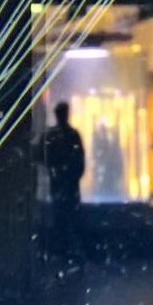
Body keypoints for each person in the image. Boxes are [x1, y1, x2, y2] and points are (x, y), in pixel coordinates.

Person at [44, 101, 85, 257]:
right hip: (66, 184)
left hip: (63, 184)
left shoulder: (56, 135)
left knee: (62, 216)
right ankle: (68, 250)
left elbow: (48, 158)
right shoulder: (69, 135)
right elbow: (79, 159)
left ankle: (64, 249)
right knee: (66, 217)